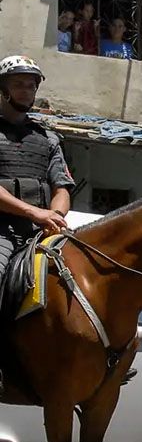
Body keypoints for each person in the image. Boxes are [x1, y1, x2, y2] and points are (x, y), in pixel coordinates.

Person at [0, 56, 73, 285]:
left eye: (31, 85)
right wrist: (34, 212)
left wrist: (56, 217)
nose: (26, 91)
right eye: (18, 84)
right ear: (3, 89)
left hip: (41, 229)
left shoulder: (47, 139)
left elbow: (61, 188)